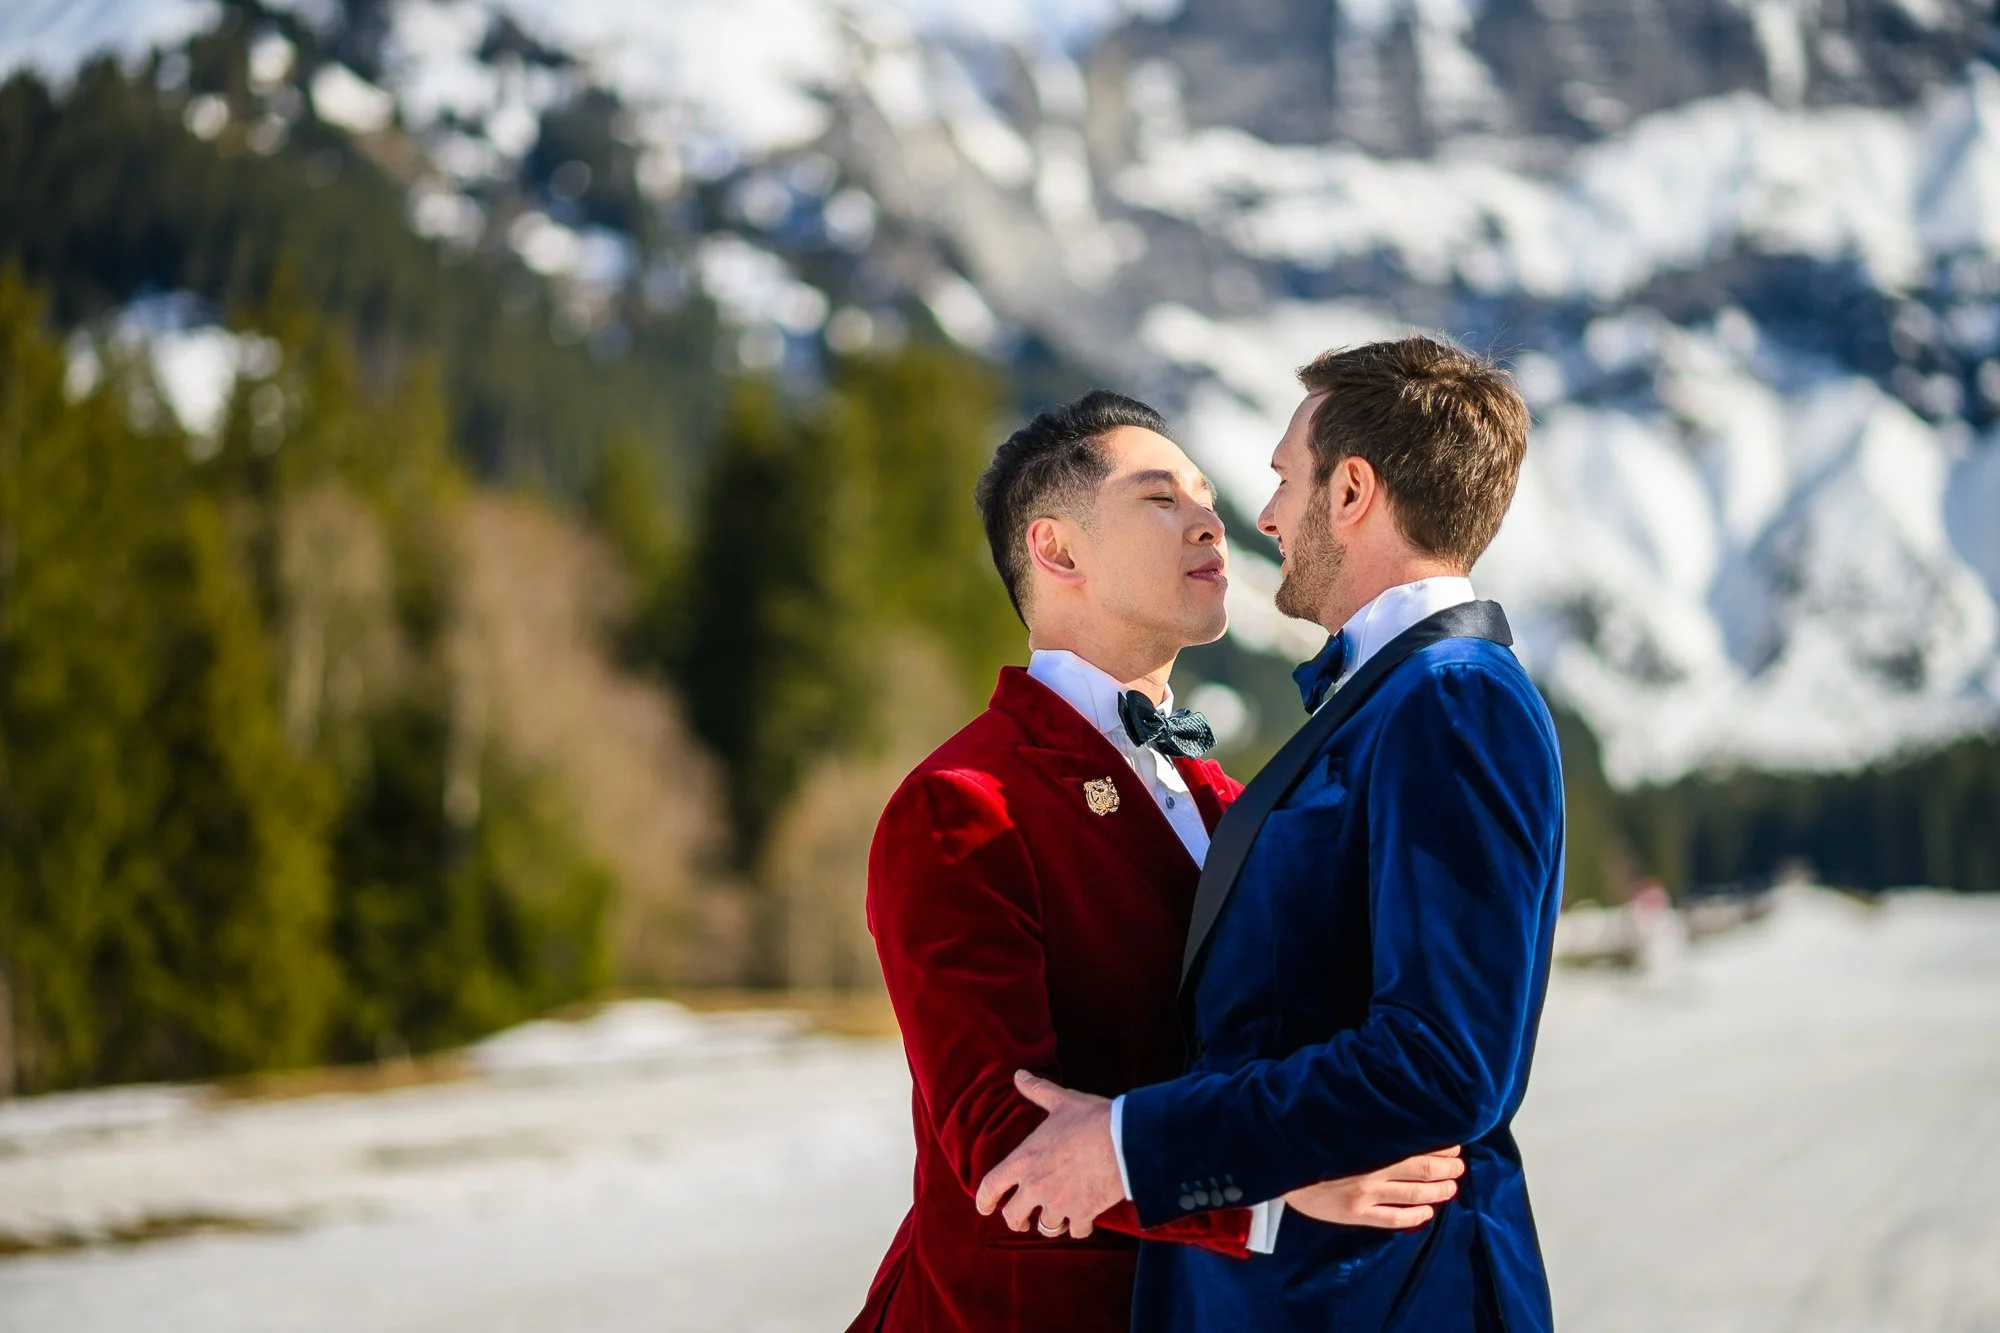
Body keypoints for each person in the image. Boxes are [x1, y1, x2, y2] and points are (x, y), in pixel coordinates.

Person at [975, 338, 1564, 1333]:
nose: (1261, 516)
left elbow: (1442, 1060)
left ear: (1351, 492)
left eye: (1285, 477)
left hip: (1386, 1297)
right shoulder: (1395, 697)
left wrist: (1129, 1142)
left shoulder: (1451, 700)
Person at [849, 391, 1466, 1332]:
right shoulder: (961, 804)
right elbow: (1002, 1140)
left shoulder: (1226, 799)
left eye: (1208, 493)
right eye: (1160, 498)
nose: (1211, 518)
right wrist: (1274, 1189)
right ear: (1057, 551)